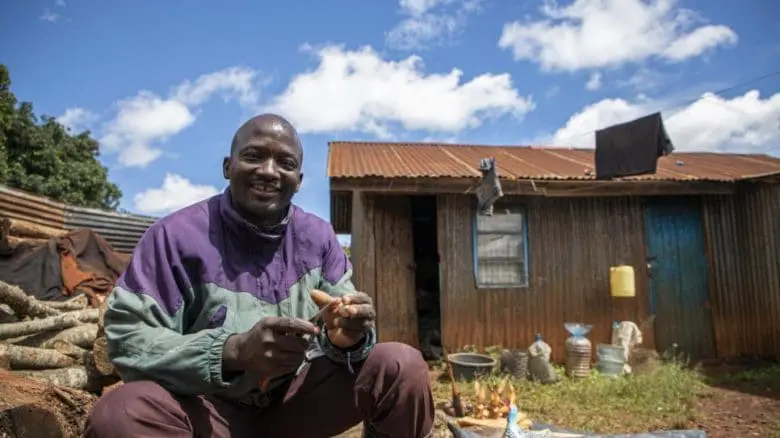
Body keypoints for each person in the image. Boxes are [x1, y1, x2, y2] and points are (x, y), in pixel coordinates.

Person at [85, 114, 435, 438]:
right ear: (228, 166)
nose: (269, 171)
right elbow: (129, 339)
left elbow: (340, 318)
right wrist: (231, 351)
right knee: (122, 413)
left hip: (296, 404)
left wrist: (348, 337)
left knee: (400, 365)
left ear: (298, 181)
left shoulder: (317, 237)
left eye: (286, 163)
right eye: (254, 156)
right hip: (205, 410)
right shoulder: (173, 237)